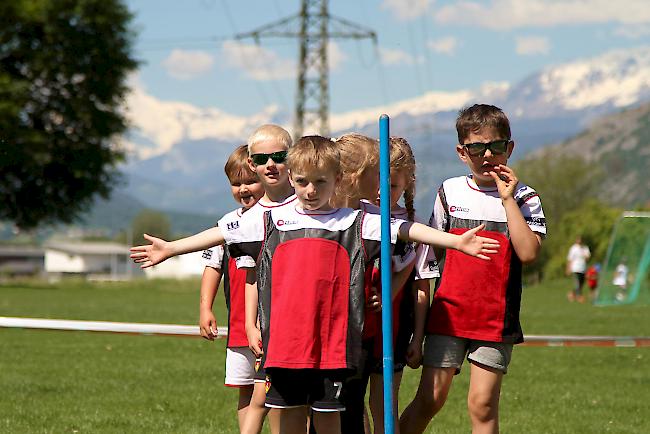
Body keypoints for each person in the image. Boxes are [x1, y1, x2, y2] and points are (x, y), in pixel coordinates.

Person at [131, 135, 500, 434]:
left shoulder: (354, 221)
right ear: (292, 179)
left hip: (332, 347)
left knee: (328, 420)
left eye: (320, 182)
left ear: (337, 181)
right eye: (303, 182)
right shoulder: (271, 220)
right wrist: (172, 248)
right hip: (285, 346)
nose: (310, 190)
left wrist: (455, 241)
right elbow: (220, 233)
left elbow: (403, 228)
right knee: (288, 418)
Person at [399, 104, 546, 434]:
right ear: (462, 152)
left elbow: (527, 252)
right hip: (449, 315)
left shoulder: (525, 196)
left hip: (496, 320)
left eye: (496, 146)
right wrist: (419, 330)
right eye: (477, 148)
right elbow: (428, 261)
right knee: (430, 399)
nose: (487, 155)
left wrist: (508, 200)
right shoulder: (448, 191)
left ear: (509, 148)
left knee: (482, 405)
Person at [366, 137, 436, 434]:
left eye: (392, 185)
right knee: (351, 403)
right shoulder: (352, 217)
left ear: (407, 183)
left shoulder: (415, 226)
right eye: (377, 182)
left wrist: (417, 337)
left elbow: (422, 286)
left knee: (383, 402)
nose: (383, 192)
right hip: (355, 326)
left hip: (394, 329)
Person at [198, 144, 265, 431]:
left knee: (278, 393)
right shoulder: (226, 225)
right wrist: (205, 308)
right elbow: (213, 266)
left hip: (272, 323)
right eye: (236, 183)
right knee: (245, 389)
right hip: (239, 325)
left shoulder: (283, 220)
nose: (243, 189)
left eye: (251, 181)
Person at [566, 237, 591, 303]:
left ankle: (571, 294)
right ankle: (579, 297)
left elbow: (588, 258)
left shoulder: (585, 248)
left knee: (581, 285)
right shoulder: (573, 248)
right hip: (575, 268)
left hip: (583, 268)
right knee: (577, 284)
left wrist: (585, 256)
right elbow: (570, 259)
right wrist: (568, 268)